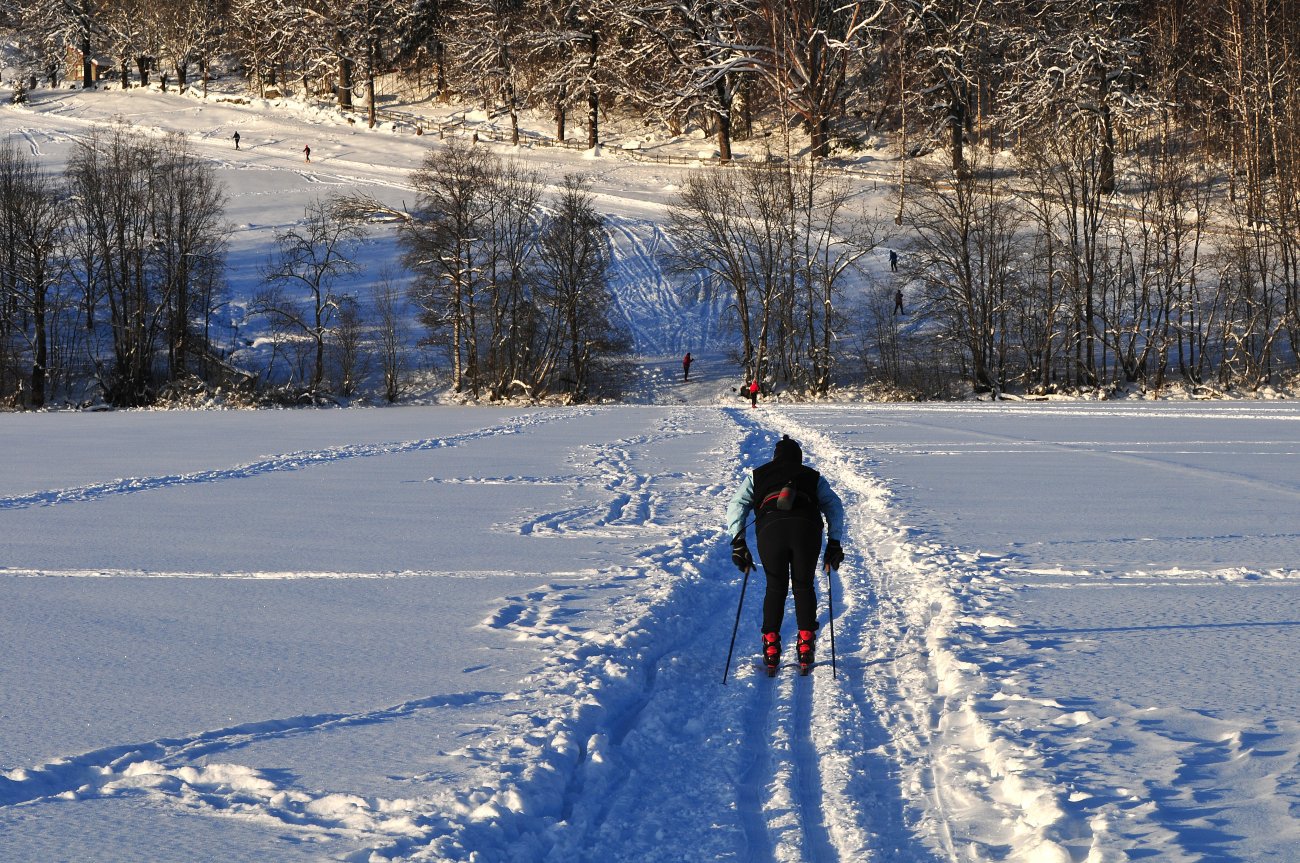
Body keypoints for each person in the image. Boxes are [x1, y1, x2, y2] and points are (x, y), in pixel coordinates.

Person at [726, 434, 845, 674]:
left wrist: (738, 542)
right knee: (803, 585)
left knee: (776, 586)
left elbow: (737, 505)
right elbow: (834, 506)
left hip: (771, 531)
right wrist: (834, 542)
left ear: (775, 457)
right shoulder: (812, 477)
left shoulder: (757, 475)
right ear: (799, 459)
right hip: (807, 530)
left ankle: (771, 649)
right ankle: (805, 646)